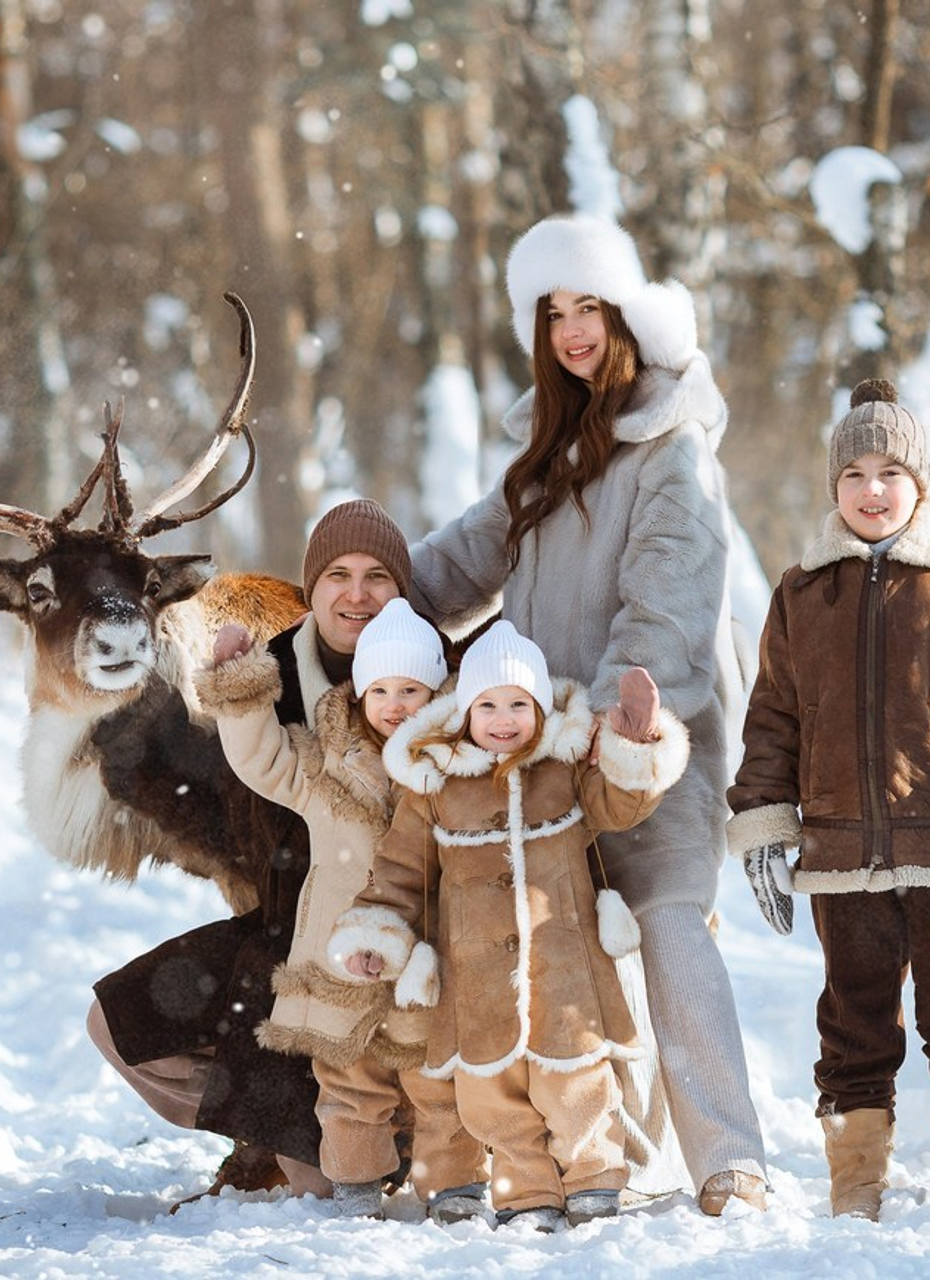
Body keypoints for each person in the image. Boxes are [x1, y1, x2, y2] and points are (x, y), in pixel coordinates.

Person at [406, 212, 769, 1213]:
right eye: (552, 311)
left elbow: (664, 610)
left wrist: (608, 728)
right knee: (562, 949)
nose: (570, 330)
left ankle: (729, 1160)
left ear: (625, 315)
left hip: (649, 748)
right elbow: (461, 558)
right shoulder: (548, 450)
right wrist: (362, 601)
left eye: (588, 308)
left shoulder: (671, 452)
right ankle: (602, 1149)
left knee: (665, 933)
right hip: (541, 756)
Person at [726, 378, 930, 1228]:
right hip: (841, 853)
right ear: (833, 487)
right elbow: (774, 718)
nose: (872, 491)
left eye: (890, 473)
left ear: (921, 482)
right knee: (853, 1022)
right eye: (854, 475)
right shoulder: (803, 593)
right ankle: (856, 1177)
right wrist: (766, 818)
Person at [86, 498, 416, 1198]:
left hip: (415, 956)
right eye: (337, 575)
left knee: (318, 1190)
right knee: (115, 1022)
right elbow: (231, 810)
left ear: (402, 590)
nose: (356, 594)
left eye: (377, 576)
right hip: (287, 944)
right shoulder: (263, 678)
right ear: (312, 587)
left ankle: (403, 1133)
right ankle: (280, 1126)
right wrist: (148, 755)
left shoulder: (447, 686)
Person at [330, 622, 690, 1231]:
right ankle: (525, 1191)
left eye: (519, 704)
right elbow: (397, 869)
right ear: (465, 712)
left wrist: (636, 743)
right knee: (490, 1098)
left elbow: (622, 806)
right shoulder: (437, 787)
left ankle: (595, 1178)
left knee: (575, 1086)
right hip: (476, 981)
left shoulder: (565, 774)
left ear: (541, 708)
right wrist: (377, 933)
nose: (504, 718)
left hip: (565, 975)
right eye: (488, 705)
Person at [196, 599, 489, 1222]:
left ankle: (454, 1184)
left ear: (438, 692)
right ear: (357, 695)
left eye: (411, 688)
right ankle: (356, 1181)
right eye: (380, 689)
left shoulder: (460, 769)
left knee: (440, 1084)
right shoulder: (328, 765)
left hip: (428, 963)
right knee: (348, 1084)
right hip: (342, 961)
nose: (395, 704)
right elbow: (260, 758)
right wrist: (242, 691)